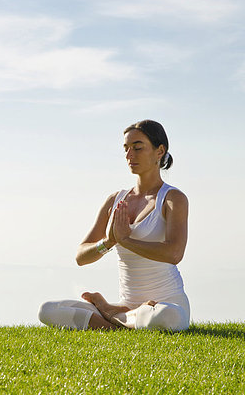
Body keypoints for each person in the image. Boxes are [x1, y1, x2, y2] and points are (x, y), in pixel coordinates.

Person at [38, 120, 190, 331]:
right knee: (48, 310)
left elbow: (174, 254)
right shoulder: (115, 200)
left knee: (168, 318)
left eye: (137, 148)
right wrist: (108, 242)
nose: (129, 156)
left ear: (160, 151)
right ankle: (121, 318)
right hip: (128, 306)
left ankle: (112, 316)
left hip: (165, 305)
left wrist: (126, 240)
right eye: (126, 149)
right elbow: (81, 256)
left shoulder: (173, 199)